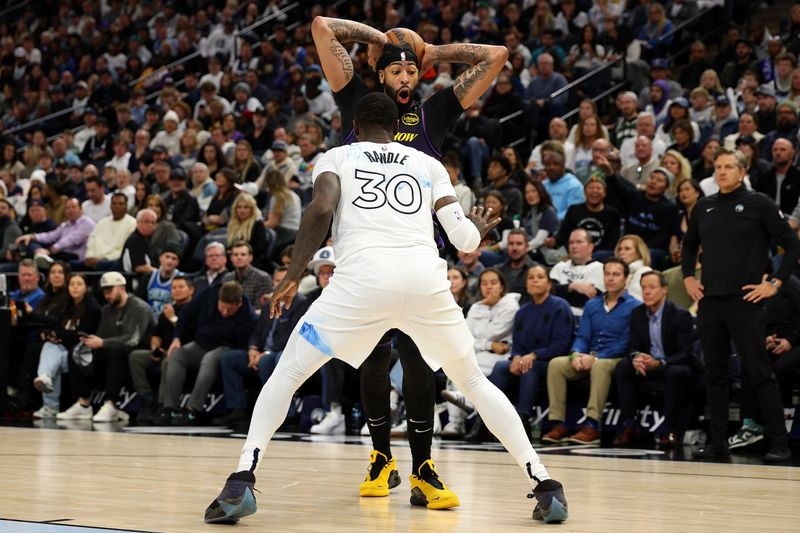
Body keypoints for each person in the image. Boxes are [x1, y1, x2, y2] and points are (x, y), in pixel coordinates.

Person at [205, 93, 568, 525]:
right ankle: (545, 484)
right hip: (424, 284)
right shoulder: (428, 164)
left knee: (288, 373)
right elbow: (464, 241)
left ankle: (242, 478)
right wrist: (478, 229)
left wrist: (290, 275)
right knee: (472, 380)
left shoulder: (336, 156)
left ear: (355, 126)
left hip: (361, 284)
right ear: (399, 128)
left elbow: (320, 210)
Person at [311, 15, 512, 502]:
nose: (404, 78)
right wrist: (383, 41)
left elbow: (496, 56)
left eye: (411, 72)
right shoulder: (360, 104)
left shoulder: (434, 113)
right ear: (380, 73)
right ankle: (382, 459)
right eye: (395, 70)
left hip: (421, 259)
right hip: (365, 259)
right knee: (374, 364)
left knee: (421, 367)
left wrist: (430, 51)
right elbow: (321, 28)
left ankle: (424, 465)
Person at [682, 148, 800, 463]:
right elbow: (689, 246)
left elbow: (791, 245)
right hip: (710, 302)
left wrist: (773, 284)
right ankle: (719, 441)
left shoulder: (759, 203)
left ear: (742, 171)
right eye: (718, 167)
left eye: (729, 167)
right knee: (715, 373)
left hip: (746, 301)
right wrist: (688, 279)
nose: (722, 172)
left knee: (760, 372)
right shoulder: (703, 207)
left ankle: (779, 442)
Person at [542, 258, 641, 445]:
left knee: (600, 366)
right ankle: (558, 423)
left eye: (616, 274)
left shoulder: (634, 306)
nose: (611, 278)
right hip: (588, 355)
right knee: (556, 364)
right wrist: (576, 353)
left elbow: (626, 343)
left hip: (614, 358)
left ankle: (592, 425)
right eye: (608, 274)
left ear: (626, 279)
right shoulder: (592, 304)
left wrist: (595, 357)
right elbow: (583, 336)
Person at [214, 267, 309, 430]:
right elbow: (257, 332)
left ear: (294, 282)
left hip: (284, 352)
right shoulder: (269, 303)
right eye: (278, 281)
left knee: (268, 361)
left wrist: (264, 353)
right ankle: (238, 409)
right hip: (262, 353)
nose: (281, 284)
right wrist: (252, 349)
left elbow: (293, 336)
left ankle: (286, 415)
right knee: (229, 359)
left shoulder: (300, 303)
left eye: (284, 280)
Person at [484, 266, 575, 436]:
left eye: (540, 277)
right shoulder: (523, 311)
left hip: (550, 361)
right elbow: (517, 342)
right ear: (526, 285)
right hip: (525, 358)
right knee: (500, 367)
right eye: (531, 277)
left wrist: (533, 355)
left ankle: (522, 419)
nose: (535, 280)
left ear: (548, 284)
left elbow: (562, 343)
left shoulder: (560, 306)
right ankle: (487, 420)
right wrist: (516, 356)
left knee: (528, 368)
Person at [613, 271, 696, 447]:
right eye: (644, 288)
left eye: (652, 287)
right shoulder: (637, 313)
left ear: (664, 290)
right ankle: (629, 425)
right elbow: (632, 346)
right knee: (623, 366)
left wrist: (660, 362)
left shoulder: (680, 314)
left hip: (673, 364)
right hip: (647, 365)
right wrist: (636, 357)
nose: (647, 292)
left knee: (674, 372)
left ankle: (670, 429)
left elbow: (685, 353)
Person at [58, 271, 154, 422]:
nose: (106, 294)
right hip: (113, 353)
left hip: (137, 355)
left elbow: (133, 340)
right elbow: (101, 336)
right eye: (104, 290)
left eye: (110, 289)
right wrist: (90, 342)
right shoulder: (107, 309)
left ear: (122, 287)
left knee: (116, 350)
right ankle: (83, 404)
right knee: (77, 351)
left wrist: (102, 343)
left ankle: (111, 404)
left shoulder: (138, 307)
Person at [158, 280, 257, 426]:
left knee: (209, 358)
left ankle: (193, 409)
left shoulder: (249, 315)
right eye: (222, 307)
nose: (225, 312)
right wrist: (177, 337)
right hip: (201, 343)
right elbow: (186, 313)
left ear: (239, 303)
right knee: (177, 355)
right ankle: (170, 407)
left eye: (229, 310)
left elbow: (244, 345)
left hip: (226, 347)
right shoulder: (209, 293)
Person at [442, 268, 520, 439]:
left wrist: (485, 340)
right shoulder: (476, 307)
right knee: (455, 365)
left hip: (502, 356)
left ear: (502, 286)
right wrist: (489, 344)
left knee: (468, 368)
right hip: (481, 352)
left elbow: (495, 330)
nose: (488, 287)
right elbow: (466, 338)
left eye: (493, 283)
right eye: (484, 283)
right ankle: (456, 423)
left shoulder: (510, 304)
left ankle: (466, 402)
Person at [128, 275, 195, 425]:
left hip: (183, 354)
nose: (176, 290)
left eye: (180, 287)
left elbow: (190, 336)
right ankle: (147, 398)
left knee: (168, 360)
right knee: (136, 356)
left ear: (191, 290)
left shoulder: (194, 310)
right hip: (164, 351)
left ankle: (163, 405)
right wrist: (154, 348)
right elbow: (156, 335)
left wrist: (173, 319)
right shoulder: (169, 308)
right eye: (173, 287)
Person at [32, 273, 101, 418]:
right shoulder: (65, 307)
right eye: (72, 284)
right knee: (48, 347)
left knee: (53, 360)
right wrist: (48, 335)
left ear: (86, 287)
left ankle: (50, 404)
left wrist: (59, 336)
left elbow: (83, 336)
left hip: (80, 355)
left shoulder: (93, 309)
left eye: (79, 284)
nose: (75, 287)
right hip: (63, 350)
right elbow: (55, 327)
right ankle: (46, 381)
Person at [552, 173, 622, 259]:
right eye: (591, 188)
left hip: (600, 258)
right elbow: (564, 234)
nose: (594, 191)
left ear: (604, 193)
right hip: (574, 254)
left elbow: (612, 243)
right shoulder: (574, 210)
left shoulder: (612, 214)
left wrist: (590, 256)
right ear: (584, 192)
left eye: (598, 188)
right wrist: (554, 241)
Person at [549, 228, 606, 313]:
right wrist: (572, 286)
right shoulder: (560, 266)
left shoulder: (600, 268)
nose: (574, 246)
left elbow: (583, 299)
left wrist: (560, 290)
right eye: (571, 242)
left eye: (579, 242)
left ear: (591, 247)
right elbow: (548, 290)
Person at [77, 192, 136, 271]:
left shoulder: (133, 223)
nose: (117, 206)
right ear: (110, 205)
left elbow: (125, 249)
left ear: (126, 206)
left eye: (120, 204)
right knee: (72, 265)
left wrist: (103, 260)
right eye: (114, 203)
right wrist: (90, 256)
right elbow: (92, 241)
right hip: (94, 260)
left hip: (114, 262)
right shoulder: (102, 222)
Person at [137, 241, 183, 319]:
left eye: (174, 258)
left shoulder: (182, 280)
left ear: (178, 262)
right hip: (148, 319)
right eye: (167, 257)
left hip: (168, 322)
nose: (169, 261)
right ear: (160, 258)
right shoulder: (149, 277)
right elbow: (138, 299)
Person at [222, 242, 273, 309]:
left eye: (243, 254)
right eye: (235, 254)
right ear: (231, 258)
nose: (239, 257)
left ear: (250, 258)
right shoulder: (227, 278)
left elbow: (262, 308)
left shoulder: (263, 278)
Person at [614, 235, 653, 301]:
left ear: (639, 252)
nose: (621, 252)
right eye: (620, 249)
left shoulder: (645, 271)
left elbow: (637, 301)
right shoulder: (616, 273)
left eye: (627, 249)